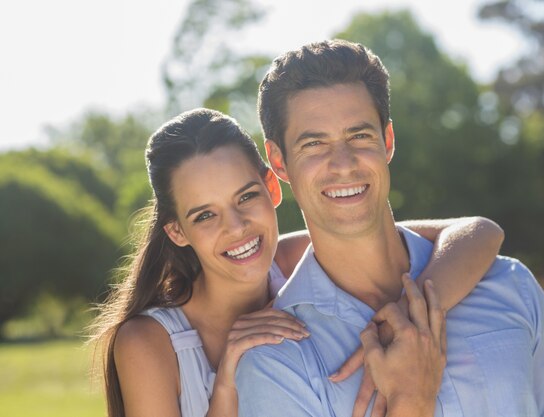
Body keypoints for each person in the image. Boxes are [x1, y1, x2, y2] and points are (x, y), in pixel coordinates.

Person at [234, 39, 544, 417]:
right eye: (314, 144)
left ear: (387, 141)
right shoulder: (274, 361)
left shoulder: (507, 284)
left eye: (359, 136)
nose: (343, 163)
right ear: (279, 162)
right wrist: (411, 402)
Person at [89, 108, 504, 417]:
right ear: (177, 231)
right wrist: (229, 383)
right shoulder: (148, 342)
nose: (237, 228)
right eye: (205, 215)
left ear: (272, 186)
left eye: (246, 196)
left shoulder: (291, 259)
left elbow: (480, 232)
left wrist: (411, 316)